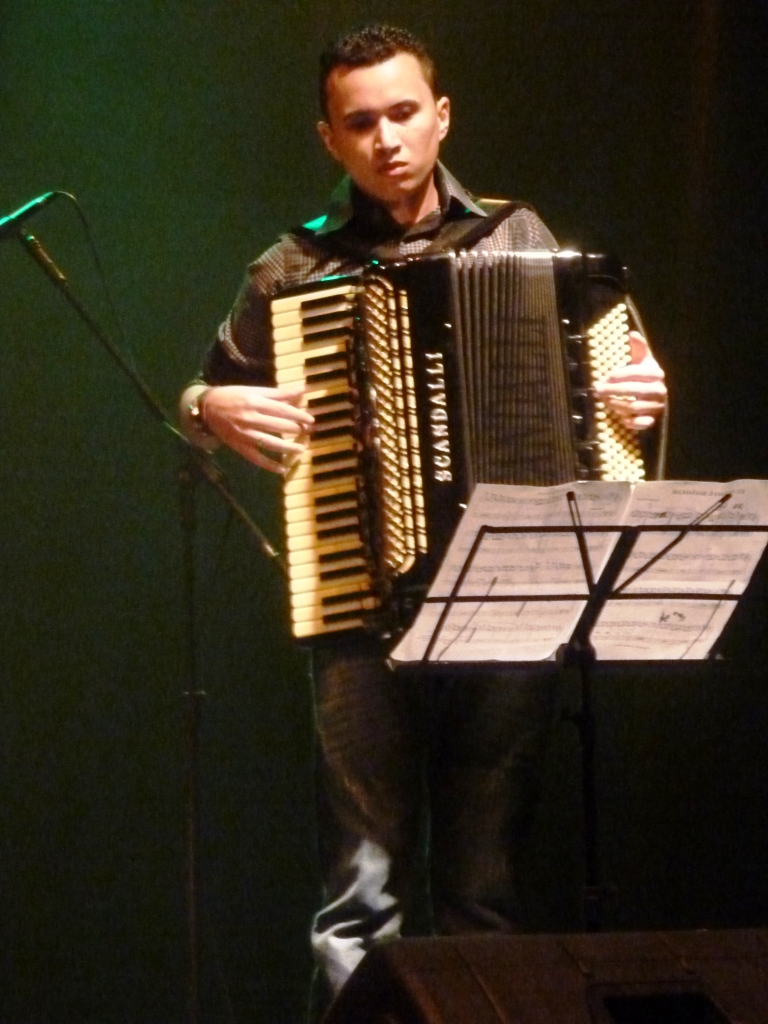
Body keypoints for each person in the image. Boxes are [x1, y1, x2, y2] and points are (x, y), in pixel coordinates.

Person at [179, 24, 667, 1010]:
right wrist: (205, 406)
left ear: (441, 117)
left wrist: (640, 395)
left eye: (404, 113)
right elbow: (199, 399)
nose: (387, 138)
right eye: (361, 122)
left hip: (510, 600)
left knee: (485, 890)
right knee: (358, 899)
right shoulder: (292, 267)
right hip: (361, 604)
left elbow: (615, 377)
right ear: (329, 137)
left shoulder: (518, 237)